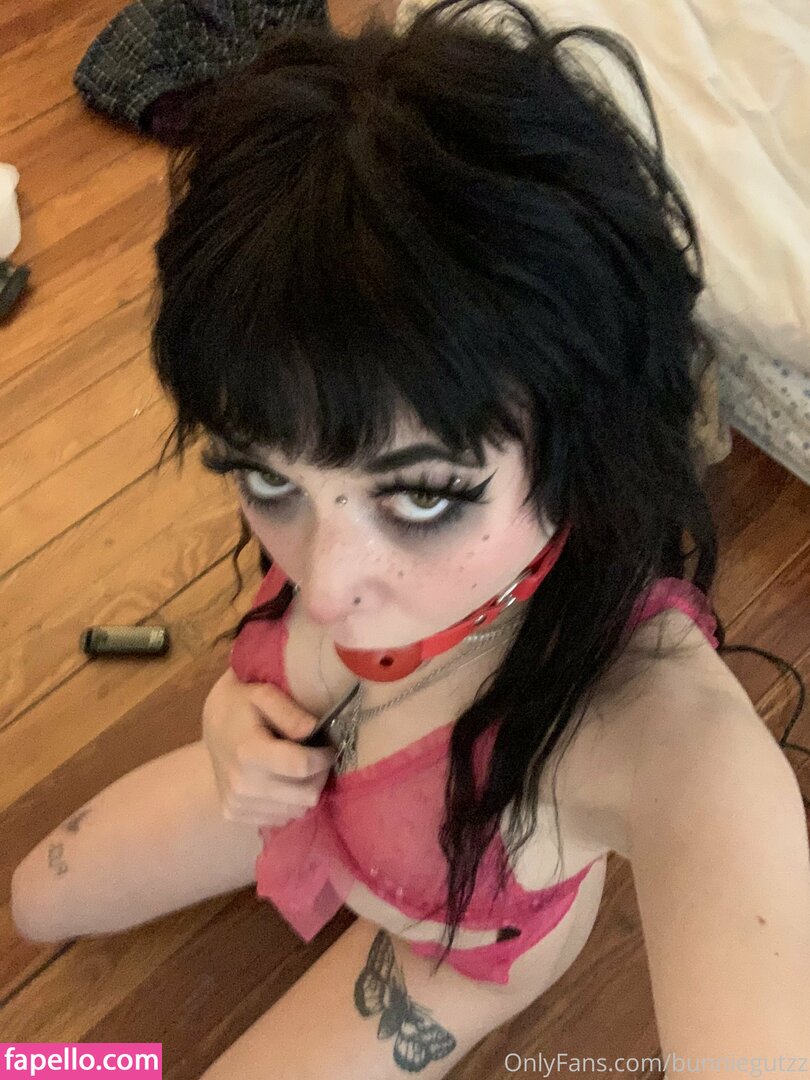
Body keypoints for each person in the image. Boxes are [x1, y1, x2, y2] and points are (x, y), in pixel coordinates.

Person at [11, 0, 810, 1074]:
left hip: (448, 943)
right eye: (266, 477)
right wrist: (227, 722)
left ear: (585, 439)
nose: (324, 586)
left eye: (423, 497)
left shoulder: (648, 723)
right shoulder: (338, 520)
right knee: (34, 901)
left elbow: (733, 876)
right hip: (294, 793)